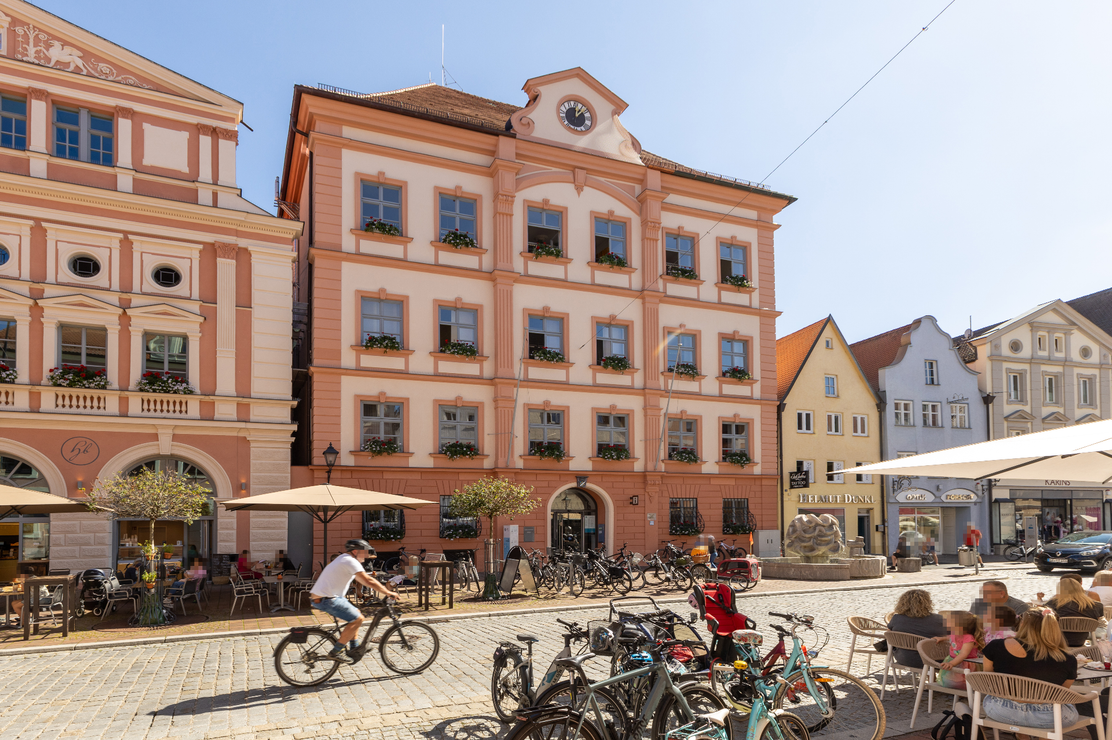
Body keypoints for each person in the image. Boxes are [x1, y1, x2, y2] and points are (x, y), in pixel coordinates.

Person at [982, 608, 1078, 731]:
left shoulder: (996, 646)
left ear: (1023, 624)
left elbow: (988, 681)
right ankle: (1046, 737)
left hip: (1003, 711)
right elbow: (1061, 694)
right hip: (1049, 718)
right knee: (1066, 705)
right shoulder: (1068, 659)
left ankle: (1021, 735)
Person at [309, 539, 399, 663]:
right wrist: (388, 592)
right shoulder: (349, 561)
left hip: (327, 597)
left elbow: (362, 580)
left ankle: (354, 648)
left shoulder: (344, 559)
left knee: (356, 613)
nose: (366, 555)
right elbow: (368, 581)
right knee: (358, 619)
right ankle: (336, 652)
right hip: (327, 599)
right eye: (365, 552)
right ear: (355, 551)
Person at [887, 589, 948, 669]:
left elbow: (889, 634)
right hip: (934, 660)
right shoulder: (938, 619)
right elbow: (956, 636)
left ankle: (929, 675)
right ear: (927, 603)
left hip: (905, 659)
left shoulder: (896, 618)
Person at [1045, 577, 1103, 647]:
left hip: (1057, 641)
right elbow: (1096, 620)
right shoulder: (1096, 605)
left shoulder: (1052, 604)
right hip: (1080, 640)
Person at [933, 610, 984, 689]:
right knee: (950, 680)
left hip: (966, 663)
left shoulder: (969, 638)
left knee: (961, 682)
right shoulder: (955, 632)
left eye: (950, 621)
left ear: (959, 626)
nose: (946, 622)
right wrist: (942, 638)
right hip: (953, 660)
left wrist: (952, 663)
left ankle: (964, 691)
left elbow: (963, 654)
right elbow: (951, 637)